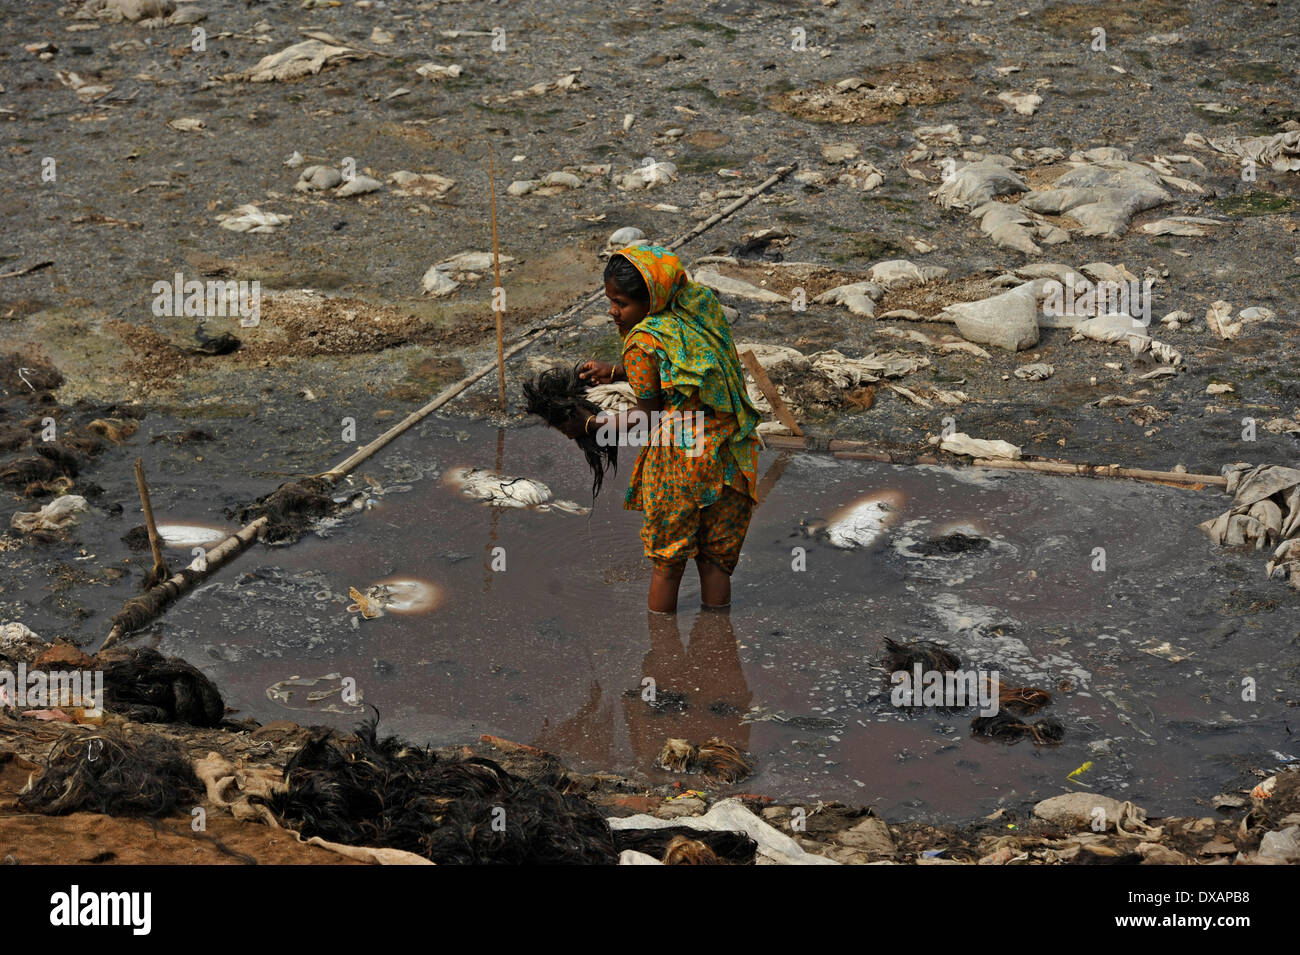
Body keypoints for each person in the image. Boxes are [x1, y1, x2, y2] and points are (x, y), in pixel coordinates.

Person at [556, 245, 761, 613]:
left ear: (650, 299)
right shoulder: (699, 311)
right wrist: (617, 372)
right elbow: (685, 374)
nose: (613, 312)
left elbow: (647, 417)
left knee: (668, 565)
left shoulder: (643, 340)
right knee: (715, 562)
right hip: (729, 456)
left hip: (682, 463)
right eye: (610, 301)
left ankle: (662, 657)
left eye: (620, 303)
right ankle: (716, 655)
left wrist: (588, 425)